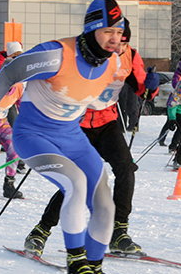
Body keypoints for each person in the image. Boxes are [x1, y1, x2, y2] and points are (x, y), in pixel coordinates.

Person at [0, 0, 133, 274]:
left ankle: (93, 272)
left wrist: (140, 85)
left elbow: (99, 98)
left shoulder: (114, 62)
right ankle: (77, 266)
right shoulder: (56, 55)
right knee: (75, 183)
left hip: (72, 136)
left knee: (104, 199)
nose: (114, 39)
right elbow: (9, 73)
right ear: (91, 28)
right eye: (108, 31)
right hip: (33, 136)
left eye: (119, 33)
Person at [23, 22, 146, 256]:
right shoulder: (89, 55)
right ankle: (41, 231)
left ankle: (119, 232)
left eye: (124, 43)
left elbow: (140, 83)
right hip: (78, 125)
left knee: (126, 169)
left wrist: (148, 85)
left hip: (107, 123)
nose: (119, 48)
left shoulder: (131, 56)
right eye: (115, 43)